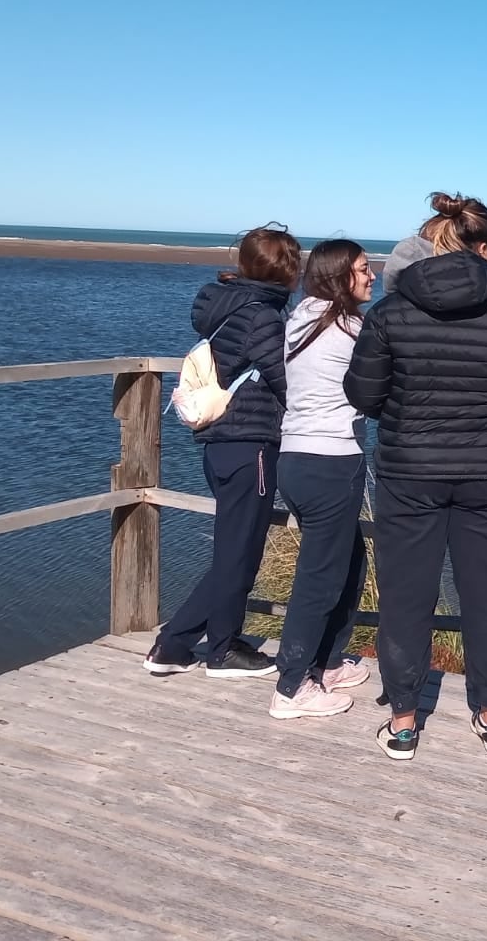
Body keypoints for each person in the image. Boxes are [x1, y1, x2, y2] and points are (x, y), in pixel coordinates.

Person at [346, 192, 487, 760]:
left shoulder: (389, 313)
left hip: (408, 473)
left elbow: (362, 394)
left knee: (405, 597)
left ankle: (404, 720)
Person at [145, 224, 302, 679]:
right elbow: (285, 381)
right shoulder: (263, 316)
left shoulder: (227, 307)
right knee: (240, 552)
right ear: (286, 269)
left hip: (222, 444)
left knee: (235, 548)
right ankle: (221, 649)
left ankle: (175, 645)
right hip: (250, 444)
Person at [268, 239, 378, 720]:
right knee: (320, 578)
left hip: (295, 458)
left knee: (349, 560)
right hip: (331, 461)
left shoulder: (301, 318)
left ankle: (328, 662)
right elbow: (379, 384)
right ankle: (291, 687)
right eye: (363, 269)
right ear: (340, 278)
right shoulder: (348, 329)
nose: (372, 276)